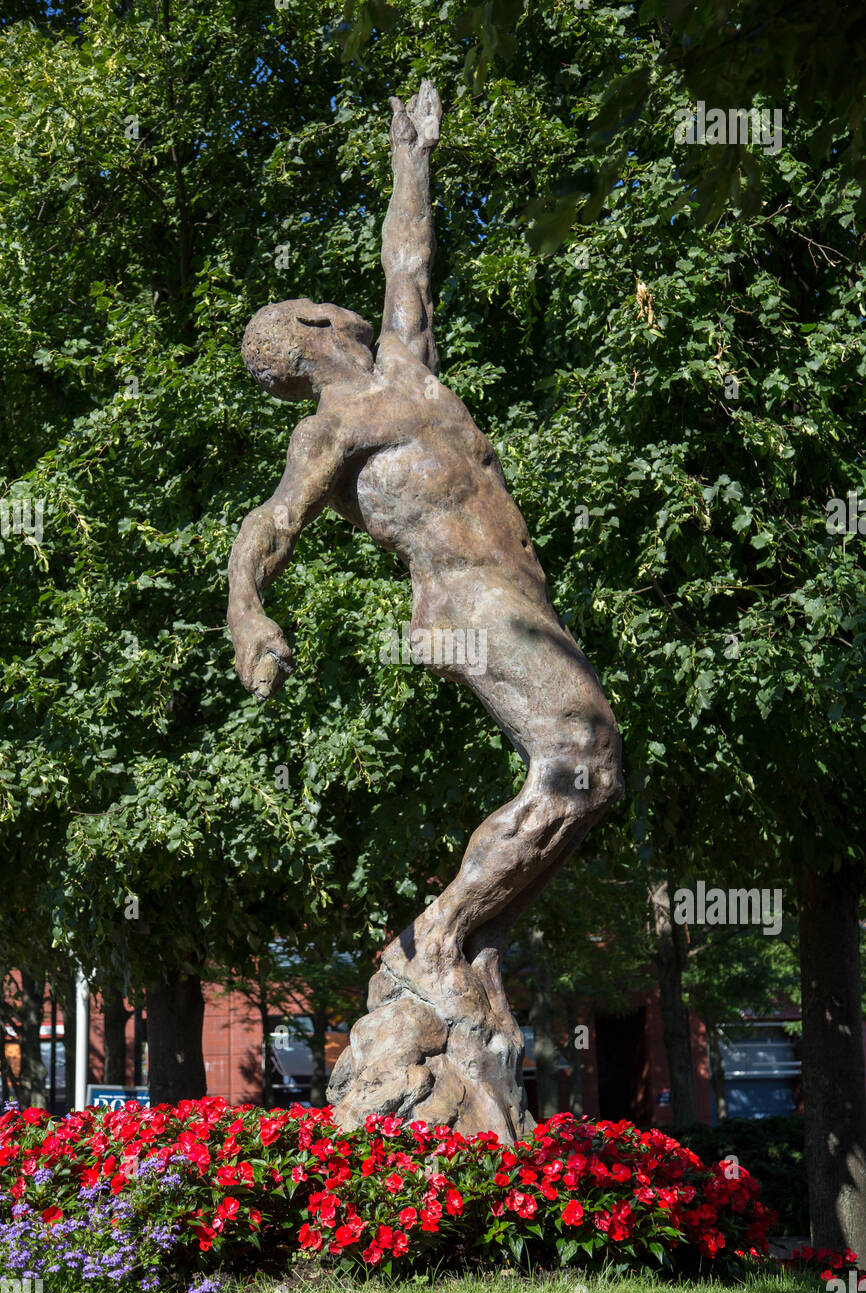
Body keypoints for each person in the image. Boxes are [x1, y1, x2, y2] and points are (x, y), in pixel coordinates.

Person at [227, 82, 623, 1000]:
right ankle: (436, 940)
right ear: (315, 328)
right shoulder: (332, 427)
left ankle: (466, 943)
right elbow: (273, 520)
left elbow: (408, 257)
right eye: (324, 302)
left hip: (518, 598)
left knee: (588, 776)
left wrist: (413, 154)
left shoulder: (406, 366)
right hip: (464, 607)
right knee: (581, 755)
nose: (349, 303)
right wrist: (246, 607)